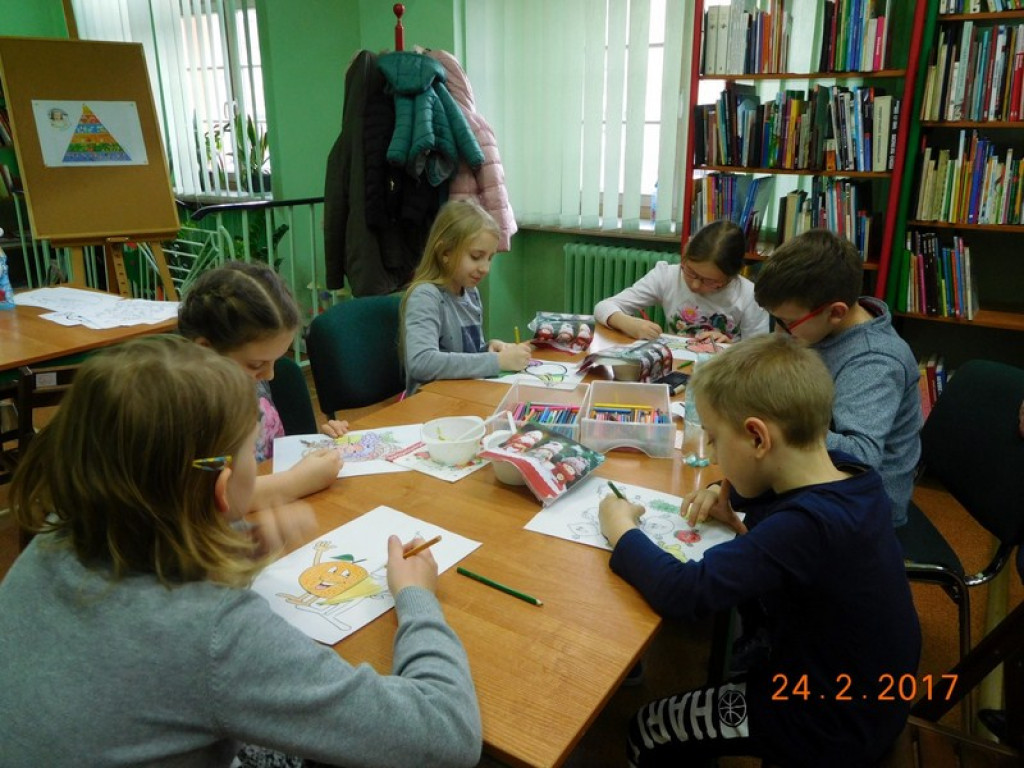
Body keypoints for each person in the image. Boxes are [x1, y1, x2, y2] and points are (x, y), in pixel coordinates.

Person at [0, 336, 482, 767]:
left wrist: (227, 556)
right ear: (223, 490)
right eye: (254, 451)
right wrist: (417, 598)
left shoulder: (56, 535)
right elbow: (448, 735)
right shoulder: (214, 634)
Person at [599, 335, 920, 767]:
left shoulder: (806, 528)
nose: (713, 453)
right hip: (874, 689)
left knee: (648, 730)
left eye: (714, 438)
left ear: (757, 437)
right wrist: (723, 492)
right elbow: (775, 493)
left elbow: (684, 592)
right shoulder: (851, 472)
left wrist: (620, 528)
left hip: (826, 715)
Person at [752, 229, 922, 528]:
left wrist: (779, 421)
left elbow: (861, 456)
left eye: (787, 322)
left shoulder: (875, 361)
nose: (779, 332)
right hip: (814, 476)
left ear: (836, 313)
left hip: (864, 509)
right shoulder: (823, 324)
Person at [179, 261, 345, 522]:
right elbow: (207, 501)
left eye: (276, 361)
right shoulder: (185, 413)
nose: (270, 376)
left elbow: (267, 455)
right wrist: (296, 481)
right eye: (256, 365)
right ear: (206, 350)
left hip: (274, 514)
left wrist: (317, 444)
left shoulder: (245, 383)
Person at [401, 199, 532, 394]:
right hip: (430, 402)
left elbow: (464, 355)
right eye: (476, 256)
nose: (485, 268)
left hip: (464, 394)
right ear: (445, 252)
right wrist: (496, 361)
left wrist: (487, 349)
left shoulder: (471, 293)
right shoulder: (426, 296)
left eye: (490, 258)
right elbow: (421, 362)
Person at [594, 219, 769, 343]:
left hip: (723, 375)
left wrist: (729, 349)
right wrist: (629, 324)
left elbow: (759, 354)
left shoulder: (749, 295)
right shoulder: (667, 276)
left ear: (732, 276)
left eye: (709, 281)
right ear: (684, 257)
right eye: (690, 272)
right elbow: (603, 307)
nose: (695, 285)